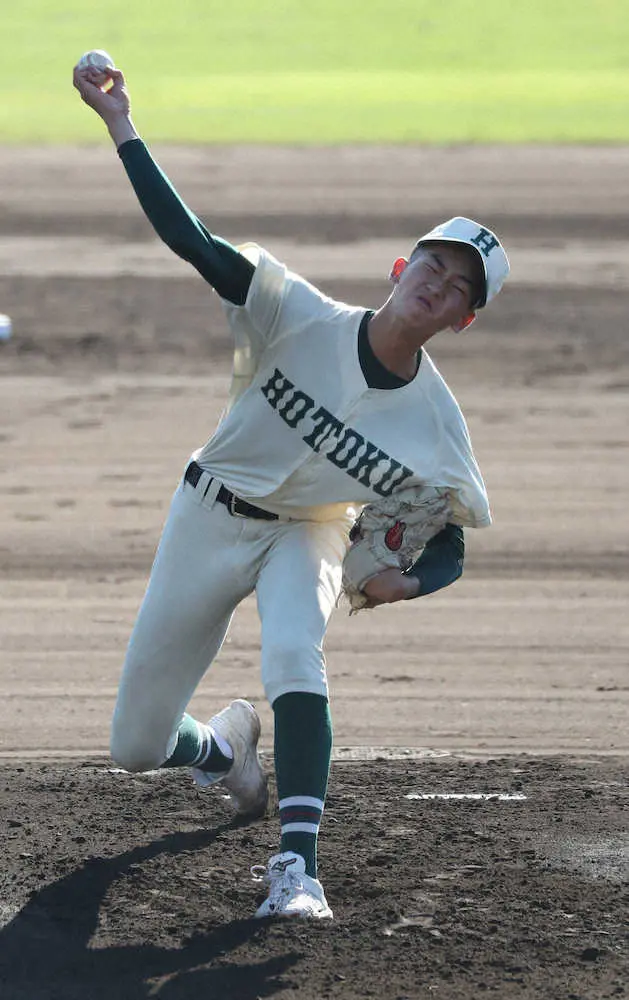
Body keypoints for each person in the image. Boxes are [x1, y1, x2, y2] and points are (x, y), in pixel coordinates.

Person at [73, 63, 510, 921]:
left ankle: (296, 869)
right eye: (434, 263)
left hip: (307, 533)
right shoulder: (294, 312)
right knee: (134, 744)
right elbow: (192, 241)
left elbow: (452, 539)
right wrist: (122, 124)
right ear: (400, 265)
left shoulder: (436, 425)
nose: (439, 284)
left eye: (460, 287)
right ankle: (221, 751)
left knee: (293, 657)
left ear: (462, 320)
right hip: (208, 507)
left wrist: (409, 580)